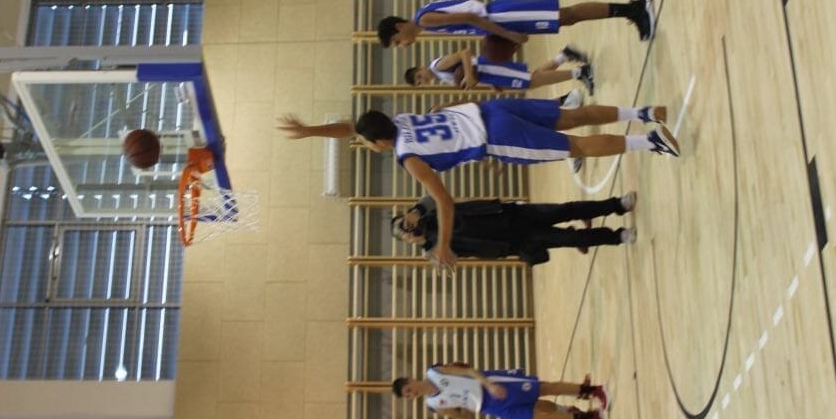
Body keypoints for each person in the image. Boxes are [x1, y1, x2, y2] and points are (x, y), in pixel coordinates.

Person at [276, 98, 678, 270]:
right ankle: (642, 112)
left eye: (367, 143)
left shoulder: (409, 158)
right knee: (571, 115)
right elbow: (353, 126)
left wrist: (443, 245)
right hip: (489, 110)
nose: (366, 145)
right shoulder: (398, 120)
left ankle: (651, 141)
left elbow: (444, 203)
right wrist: (310, 131)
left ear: (379, 143)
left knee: (575, 146)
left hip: (496, 138)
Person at [392, 192, 638, 264]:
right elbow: (450, 260)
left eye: (405, 223)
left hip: (508, 215)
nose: (409, 228)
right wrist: (423, 240)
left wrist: (416, 212)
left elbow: (437, 196)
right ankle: (617, 237)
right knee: (568, 239)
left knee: (565, 210)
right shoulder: (431, 252)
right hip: (511, 243)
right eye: (405, 232)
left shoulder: (429, 209)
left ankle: (616, 205)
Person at [391, 363, 611, 419]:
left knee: (544, 389)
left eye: (408, 390)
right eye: (408, 396)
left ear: (410, 380)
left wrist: (488, 384)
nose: (412, 395)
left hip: (491, 385)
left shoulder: (435, 372)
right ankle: (588, 416)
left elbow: (467, 370)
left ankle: (593, 390)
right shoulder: (433, 405)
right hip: (488, 407)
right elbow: (465, 418)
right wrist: (458, 415)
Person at [378, 0, 655, 48]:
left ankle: (634, 9)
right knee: (567, 19)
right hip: (500, 15)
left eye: (397, 41)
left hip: (501, 17)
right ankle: (630, 10)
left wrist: (508, 35)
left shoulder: (426, 19)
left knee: (566, 15)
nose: (402, 45)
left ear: (399, 27)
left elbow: (472, 17)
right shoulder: (423, 16)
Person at [404, 45, 595, 95]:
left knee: (530, 81)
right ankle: (564, 56)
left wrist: (469, 75)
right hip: (488, 74)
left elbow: (464, 53)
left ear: (421, 68)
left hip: (487, 67)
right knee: (530, 80)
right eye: (420, 83)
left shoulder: (437, 66)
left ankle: (581, 73)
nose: (423, 80)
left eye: (419, 76)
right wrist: (491, 84)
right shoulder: (440, 76)